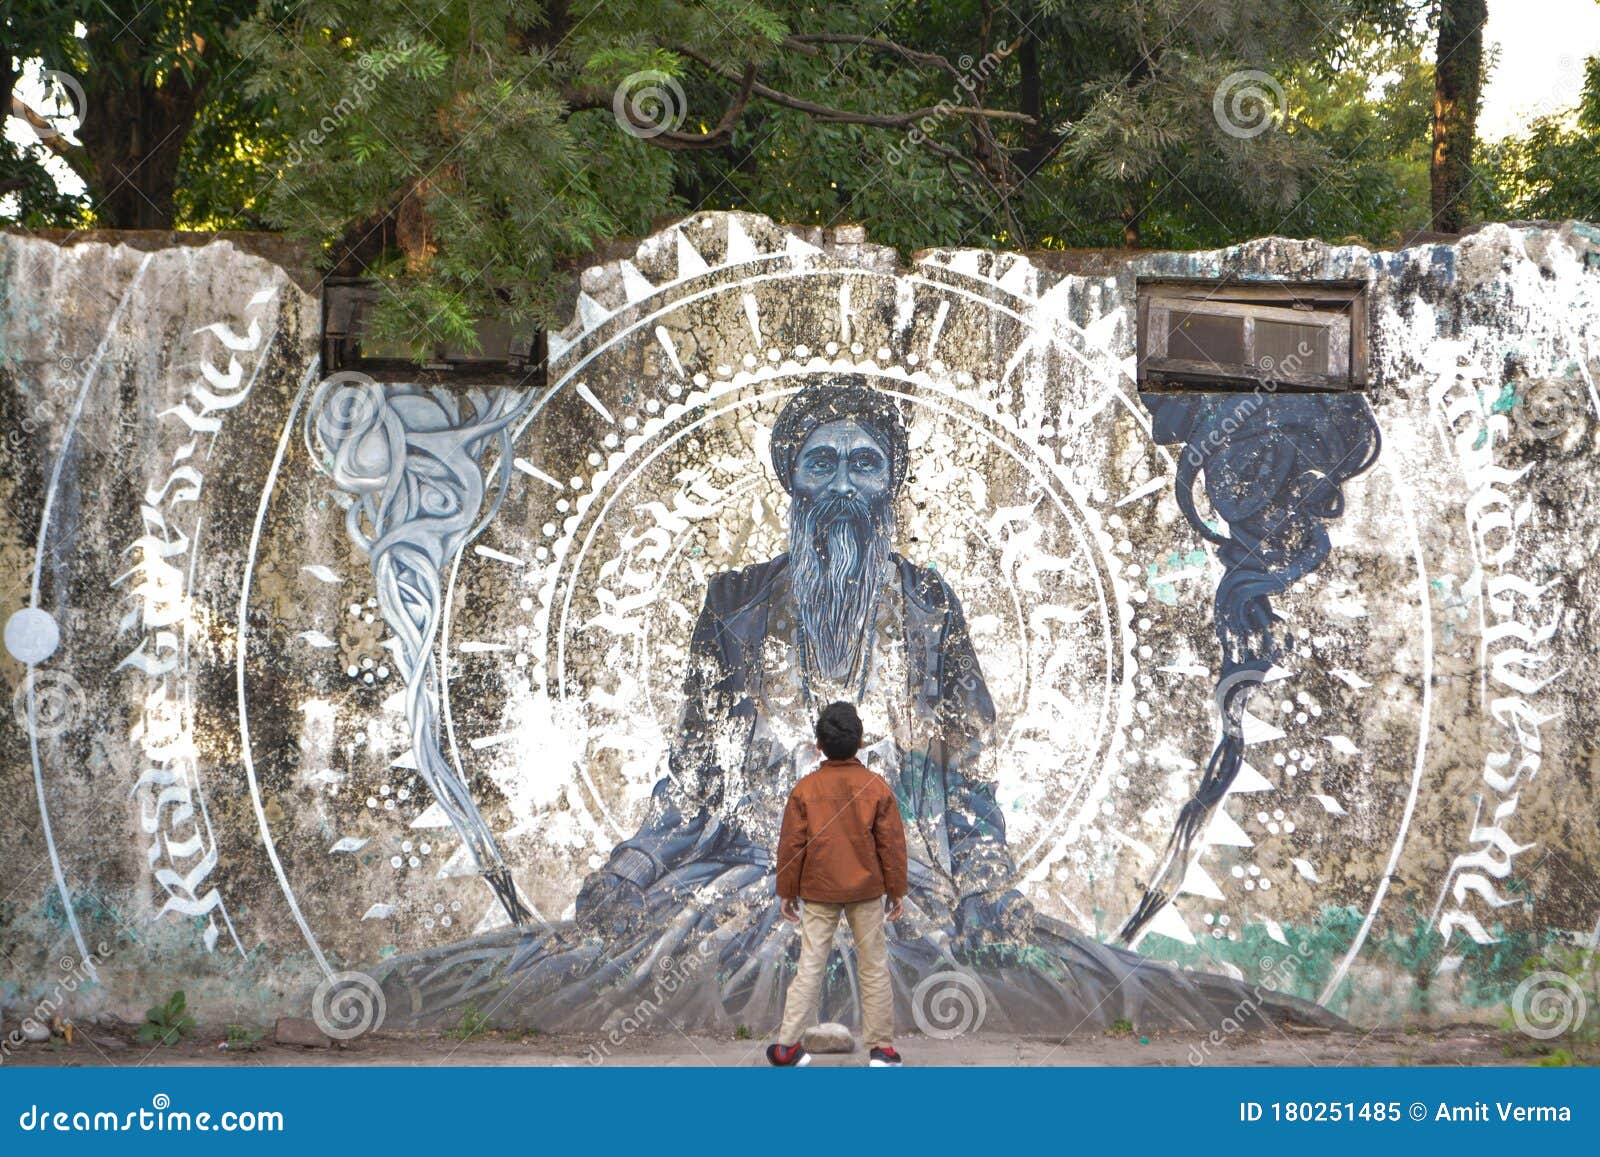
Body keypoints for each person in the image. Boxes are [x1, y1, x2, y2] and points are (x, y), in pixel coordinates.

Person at [767, 701, 908, 1068]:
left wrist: (787, 891)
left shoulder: (804, 790)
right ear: (860, 742)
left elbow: (792, 845)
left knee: (810, 964)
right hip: (865, 892)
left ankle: (786, 1047)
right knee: (874, 966)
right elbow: (890, 845)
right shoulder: (877, 788)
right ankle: (882, 1050)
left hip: (818, 890)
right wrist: (896, 890)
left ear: (819, 744)